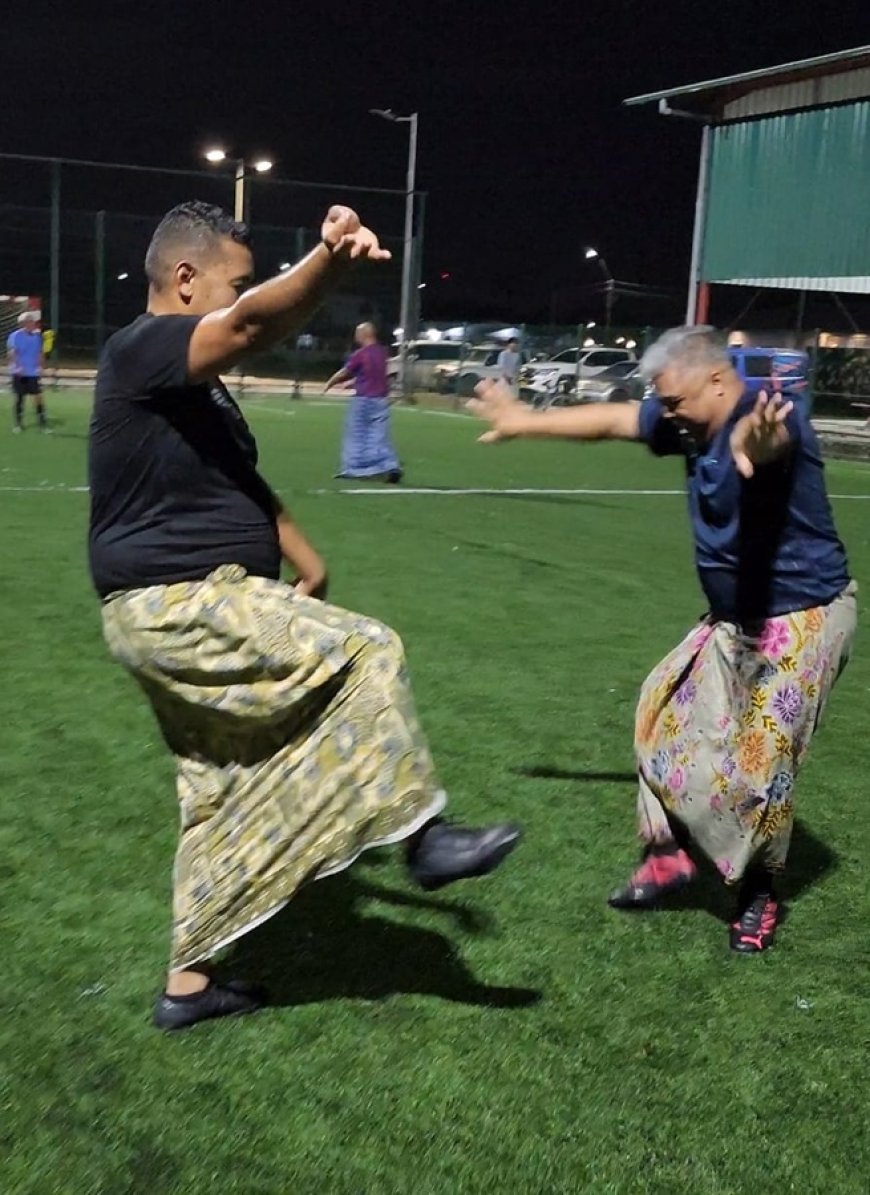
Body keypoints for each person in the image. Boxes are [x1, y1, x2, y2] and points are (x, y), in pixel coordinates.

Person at [89, 201, 521, 1031]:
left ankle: (188, 986)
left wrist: (300, 548)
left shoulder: (191, 389)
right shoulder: (145, 347)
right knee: (366, 649)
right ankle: (421, 835)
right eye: (233, 280)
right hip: (179, 601)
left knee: (220, 793)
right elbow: (252, 327)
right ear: (186, 280)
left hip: (178, 601)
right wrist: (329, 262)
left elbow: (232, 478)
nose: (242, 294)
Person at [469, 325, 856, 954]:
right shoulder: (687, 419)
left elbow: (776, 439)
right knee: (659, 707)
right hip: (733, 618)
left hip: (804, 616)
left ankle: (759, 894)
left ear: (716, 378)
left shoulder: (772, 416)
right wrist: (519, 420)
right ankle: (667, 856)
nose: (665, 414)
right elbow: (617, 419)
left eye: (673, 401)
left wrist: (759, 441)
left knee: (760, 764)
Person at [324, 321, 402, 483]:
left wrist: (329, 383)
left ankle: (356, 469)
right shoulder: (382, 353)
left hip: (364, 401)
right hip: (381, 400)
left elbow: (345, 372)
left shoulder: (361, 354)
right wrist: (353, 383)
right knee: (378, 435)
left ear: (364, 334)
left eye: (357, 333)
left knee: (357, 435)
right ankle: (389, 465)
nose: (355, 337)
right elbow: (373, 374)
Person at [7, 311, 48, 432]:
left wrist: (41, 366)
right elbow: (12, 352)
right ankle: (18, 424)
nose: (33, 323)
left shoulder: (36, 337)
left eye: (33, 321)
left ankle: (42, 422)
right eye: (30, 321)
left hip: (33, 372)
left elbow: (40, 353)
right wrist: (17, 367)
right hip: (21, 372)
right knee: (20, 397)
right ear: (23, 323)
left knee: (38, 396)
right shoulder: (16, 336)